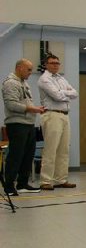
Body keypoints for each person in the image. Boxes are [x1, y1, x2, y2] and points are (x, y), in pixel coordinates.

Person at [2, 59, 46, 196]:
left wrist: (34, 109)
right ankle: (8, 186)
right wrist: (31, 109)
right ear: (19, 68)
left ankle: (22, 184)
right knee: (16, 156)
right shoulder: (10, 83)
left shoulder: (24, 84)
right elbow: (11, 105)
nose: (30, 73)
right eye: (28, 70)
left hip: (28, 124)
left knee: (28, 156)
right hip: (17, 124)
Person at [37, 54, 78, 190]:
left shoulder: (61, 78)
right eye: (52, 63)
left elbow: (75, 93)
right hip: (52, 115)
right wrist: (65, 93)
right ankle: (45, 181)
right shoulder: (44, 79)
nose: (55, 65)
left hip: (64, 115)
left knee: (63, 149)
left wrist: (63, 93)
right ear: (46, 65)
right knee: (51, 149)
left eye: (57, 63)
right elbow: (57, 96)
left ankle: (61, 179)